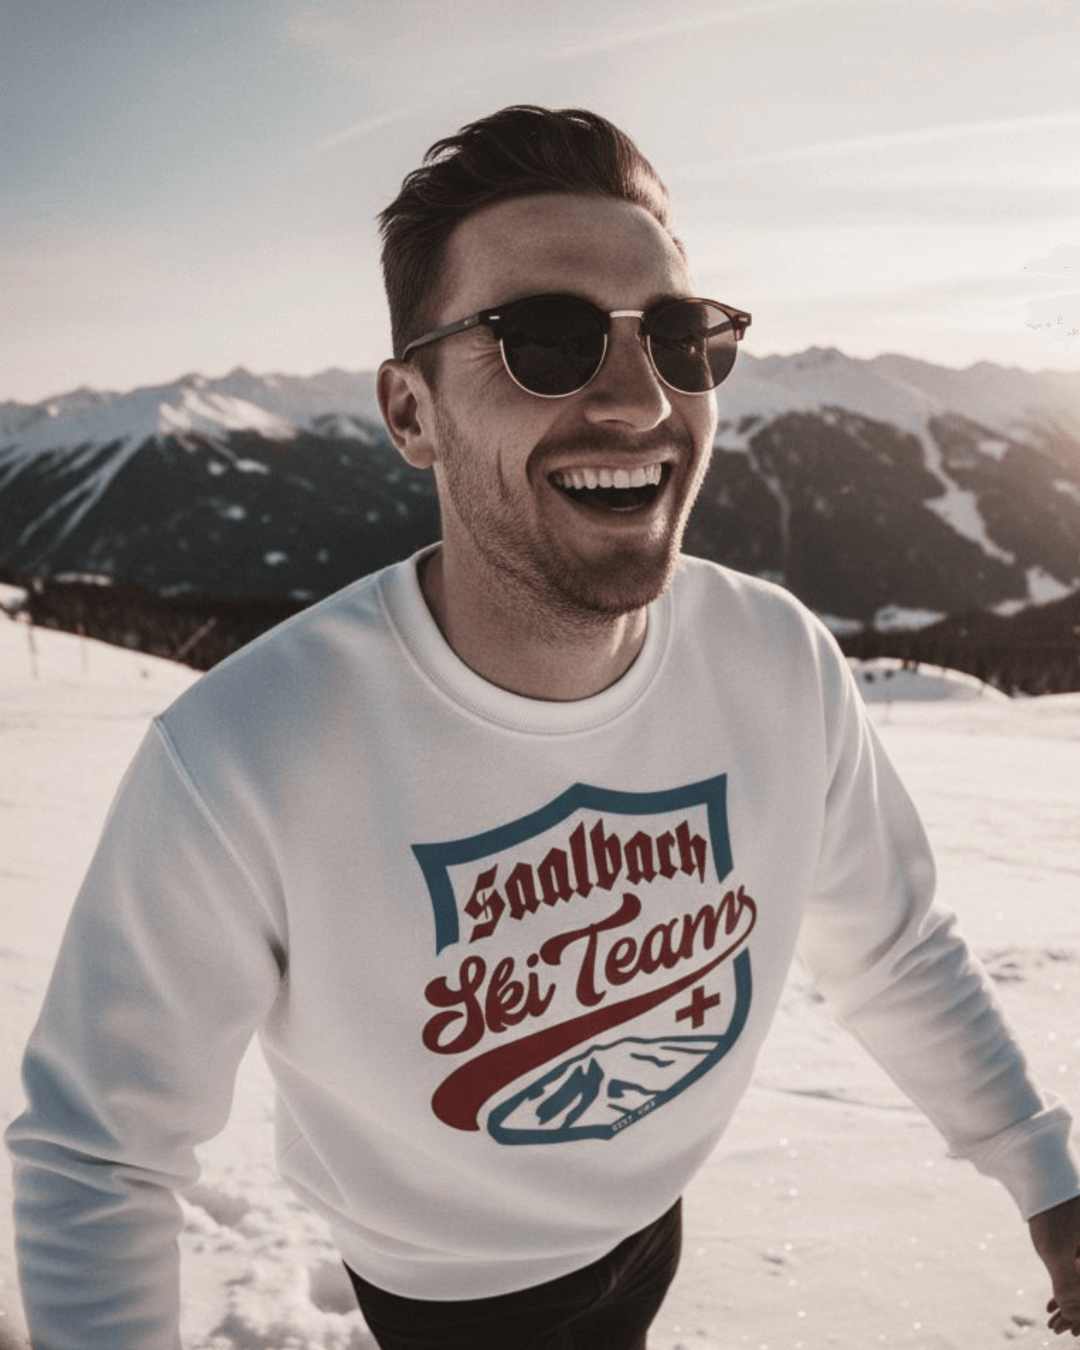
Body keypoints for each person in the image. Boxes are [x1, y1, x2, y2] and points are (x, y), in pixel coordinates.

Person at [6, 105, 1080, 1350]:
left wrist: (1045, 1177)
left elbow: (890, 949)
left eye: (680, 336)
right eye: (547, 340)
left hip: (655, 1230)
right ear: (410, 414)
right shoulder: (246, 758)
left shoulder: (777, 660)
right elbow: (102, 1157)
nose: (639, 397)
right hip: (448, 1294)